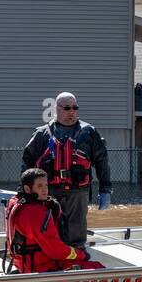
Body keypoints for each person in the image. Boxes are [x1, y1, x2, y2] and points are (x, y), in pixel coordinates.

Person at [21, 92, 112, 249]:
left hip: (78, 192)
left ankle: (76, 264)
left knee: (76, 235)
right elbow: (27, 162)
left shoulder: (89, 132)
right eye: (67, 108)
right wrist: (24, 191)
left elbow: (102, 162)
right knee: (49, 232)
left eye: (75, 108)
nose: (72, 112)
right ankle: (52, 266)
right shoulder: (42, 134)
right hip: (48, 192)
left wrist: (105, 189)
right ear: (57, 109)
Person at [4, 168, 105, 273]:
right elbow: (55, 250)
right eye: (39, 186)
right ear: (27, 189)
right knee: (98, 267)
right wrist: (79, 254)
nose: (44, 190)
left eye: (46, 185)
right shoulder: (36, 213)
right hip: (41, 267)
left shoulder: (16, 202)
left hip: (23, 263)